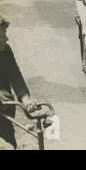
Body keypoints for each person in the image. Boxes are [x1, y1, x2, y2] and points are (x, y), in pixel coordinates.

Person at [0, 14, 37, 149]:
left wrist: (25, 98)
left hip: (4, 113)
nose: (6, 38)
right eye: (2, 35)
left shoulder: (6, 51)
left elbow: (15, 76)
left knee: (10, 143)